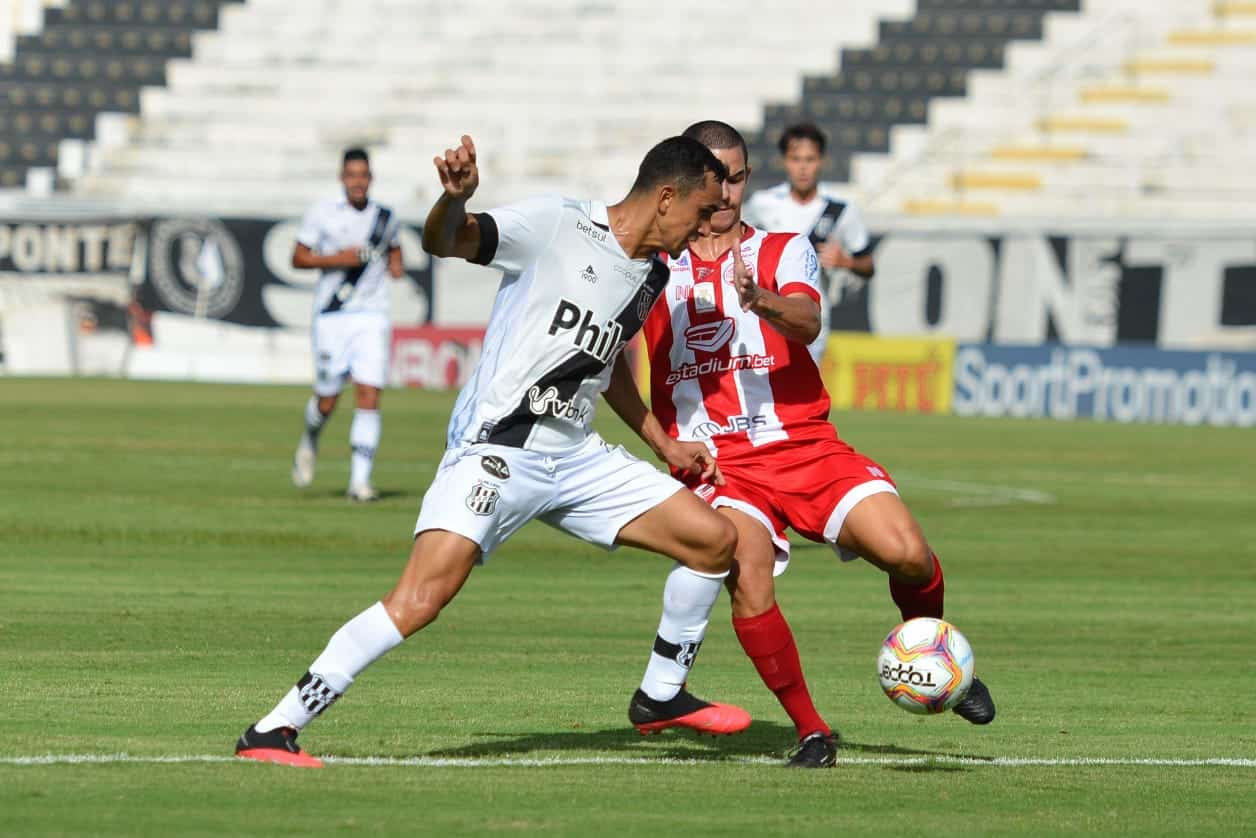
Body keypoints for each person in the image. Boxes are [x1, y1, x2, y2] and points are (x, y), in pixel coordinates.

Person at [235, 134, 753, 768]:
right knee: (419, 599)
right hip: (498, 449)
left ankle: (660, 696)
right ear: (666, 196)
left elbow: (607, 359)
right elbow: (444, 241)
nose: (704, 226)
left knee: (714, 541)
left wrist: (663, 442)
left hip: (575, 456)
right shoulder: (558, 224)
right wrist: (452, 201)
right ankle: (275, 728)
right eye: (701, 212)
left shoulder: (651, 273)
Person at [605, 120, 996, 769]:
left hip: (804, 443)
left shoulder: (784, 248)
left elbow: (809, 316)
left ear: (747, 179)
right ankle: (813, 731)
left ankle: (937, 650)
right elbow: (612, 357)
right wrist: (657, 437)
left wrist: (757, 299)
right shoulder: (653, 265)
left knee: (908, 554)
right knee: (747, 573)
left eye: (735, 176)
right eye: (713, 177)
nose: (724, 191)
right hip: (719, 465)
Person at [290, 147, 404, 502]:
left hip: (372, 315)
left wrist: (396, 266)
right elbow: (297, 257)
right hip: (332, 315)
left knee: (369, 393)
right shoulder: (322, 213)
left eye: (363, 175)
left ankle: (359, 483)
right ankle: (310, 438)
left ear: (370, 179)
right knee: (328, 400)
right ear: (343, 178)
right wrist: (337, 259)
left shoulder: (385, 216)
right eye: (352, 175)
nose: (358, 181)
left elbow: (395, 249)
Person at [743, 122, 874, 366]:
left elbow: (868, 265)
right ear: (785, 161)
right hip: (763, 315)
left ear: (821, 160)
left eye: (810, 159)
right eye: (795, 159)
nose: (803, 167)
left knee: (800, 398)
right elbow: (735, 238)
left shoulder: (840, 210)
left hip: (810, 319)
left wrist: (845, 261)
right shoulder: (763, 203)